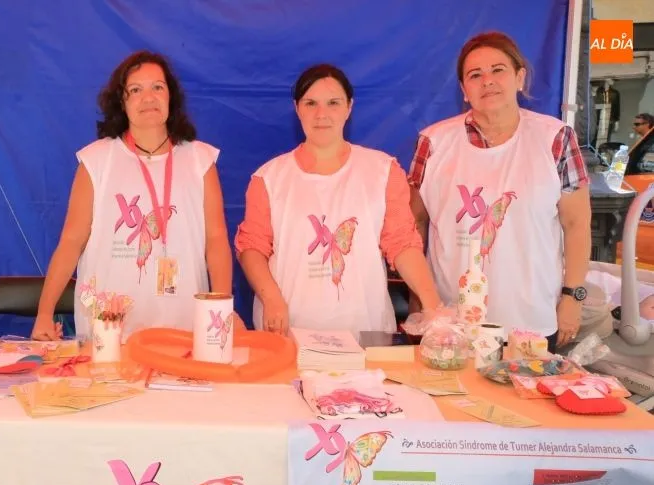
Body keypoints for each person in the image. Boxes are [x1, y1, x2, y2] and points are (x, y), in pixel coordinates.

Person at [32, 51, 237, 340]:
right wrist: (44, 313)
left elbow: (216, 240)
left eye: (157, 87)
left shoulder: (200, 159)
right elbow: (70, 241)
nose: (149, 97)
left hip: (184, 325)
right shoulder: (96, 160)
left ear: (171, 97)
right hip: (110, 327)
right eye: (136, 90)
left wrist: (221, 307)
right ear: (122, 102)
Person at [409, 31, 592, 352]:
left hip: (531, 320)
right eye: (474, 75)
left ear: (520, 77)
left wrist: (573, 297)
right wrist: (421, 301)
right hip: (449, 321)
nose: (487, 82)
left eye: (498, 70)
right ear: (464, 90)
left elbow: (577, 225)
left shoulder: (556, 139)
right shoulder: (433, 142)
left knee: (524, 400)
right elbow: (413, 227)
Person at [235, 64, 442, 335]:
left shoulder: (382, 170)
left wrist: (433, 305)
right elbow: (252, 248)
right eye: (310, 103)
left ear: (349, 107)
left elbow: (402, 243)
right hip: (290, 330)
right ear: (297, 109)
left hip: (366, 329)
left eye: (333, 103)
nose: (322, 114)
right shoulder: (268, 178)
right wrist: (271, 298)